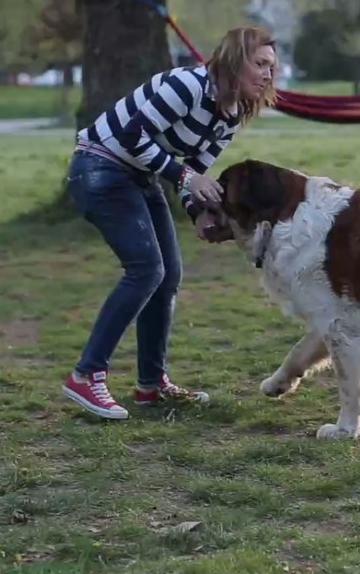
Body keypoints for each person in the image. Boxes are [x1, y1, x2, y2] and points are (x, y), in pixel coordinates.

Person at [61, 26, 278, 420]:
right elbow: (130, 137)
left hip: (139, 176)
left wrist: (198, 211)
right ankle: (86, 375)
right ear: (234, 60)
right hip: (99, 167)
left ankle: (151, 385)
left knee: (168, 274)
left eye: (271, 67)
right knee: (146, 270)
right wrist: (184, 180)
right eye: (260, 63)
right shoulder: (188, 85)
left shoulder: (230, 114)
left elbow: (192, 169)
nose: (268, 74)